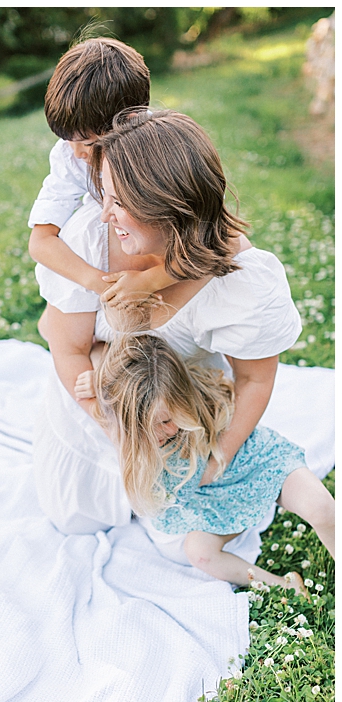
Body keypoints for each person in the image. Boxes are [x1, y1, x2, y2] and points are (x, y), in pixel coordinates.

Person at [34, 108, 302, 538]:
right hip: (99, 405)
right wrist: (114, 426)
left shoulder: (240, 279)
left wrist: (218, 456)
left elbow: (254, 379)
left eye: (119, 202)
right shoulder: (86, 240)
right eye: (103, 195)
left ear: (167, 206)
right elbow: (68, 349)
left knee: (186, 543)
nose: (104, 214)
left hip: (181, 413)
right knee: (79, 518)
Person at [79, 332, 335, 592]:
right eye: (146, 427)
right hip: (212, 498)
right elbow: (95, 347)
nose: (160, 433)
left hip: (255, 462)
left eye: (167, 421)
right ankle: (283, 585)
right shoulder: (119, 426)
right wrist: (100, 381)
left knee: (322, 509)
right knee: (199, 553)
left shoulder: (198, 393)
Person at [28, 36, 180, 305]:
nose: (77, 153)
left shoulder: (165, 149)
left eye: (87, 143)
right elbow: (40, 241)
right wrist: (102, 285)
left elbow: (217, 238)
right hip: (107, 276)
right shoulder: (69, 157)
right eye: (68, 140)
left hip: (167, 269)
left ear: (130, 122)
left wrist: (149, 281)